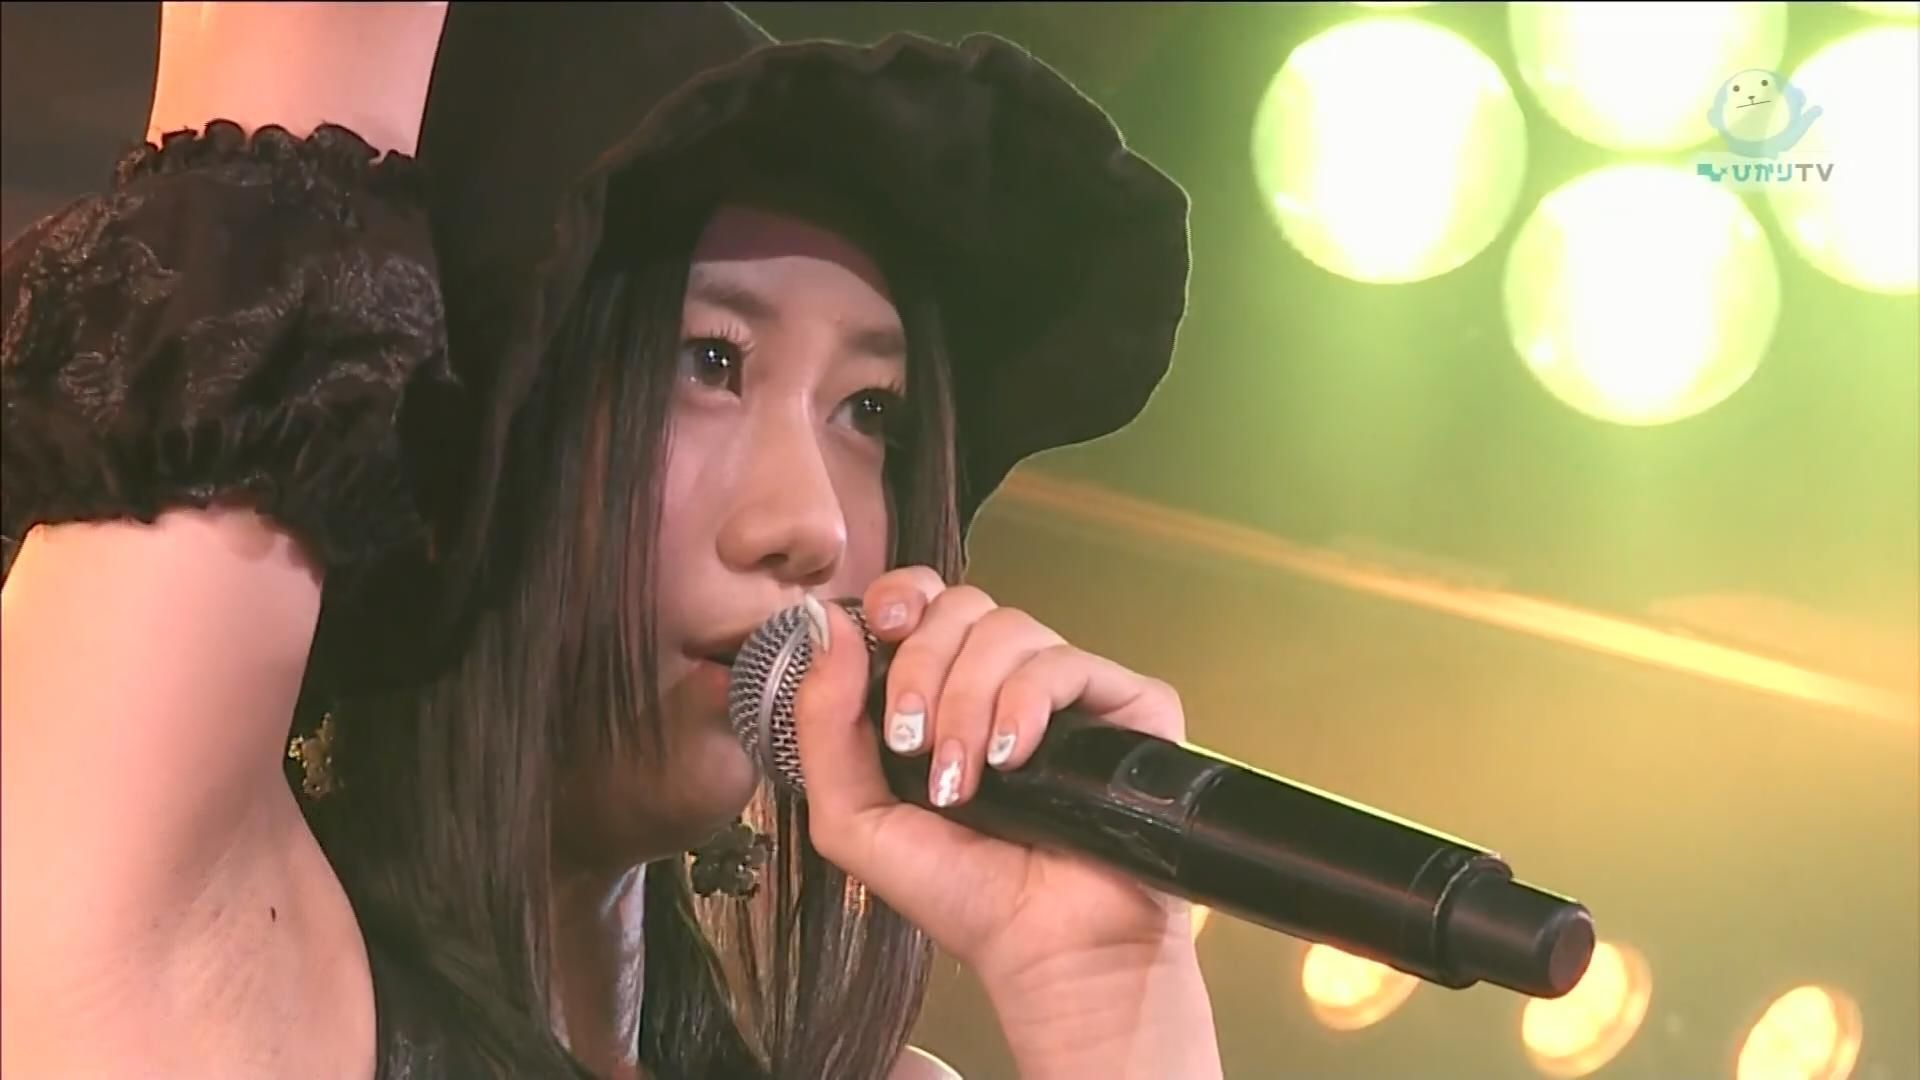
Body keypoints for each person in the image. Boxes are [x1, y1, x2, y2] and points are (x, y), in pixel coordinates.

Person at [0, 4, 1215, 1078]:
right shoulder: (217, 958)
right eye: (712, 362)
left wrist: (1108, 998)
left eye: (868, 413)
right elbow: (231, 302)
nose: (815, 526)